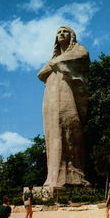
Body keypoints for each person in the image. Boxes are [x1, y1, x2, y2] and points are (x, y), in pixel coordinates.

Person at [37, 26, 90, 189]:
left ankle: (74, 175)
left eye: (65, 31)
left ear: (72, 35)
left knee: (70, 129)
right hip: (51, 96)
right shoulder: (55, 58)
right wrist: (55, 63)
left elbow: (83, 57)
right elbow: (40, 74)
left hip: (67, 93)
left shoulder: (78, 51)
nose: (61, 34)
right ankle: (54, 177)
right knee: (53, 134)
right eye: (58, 32)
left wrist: (56, 63)